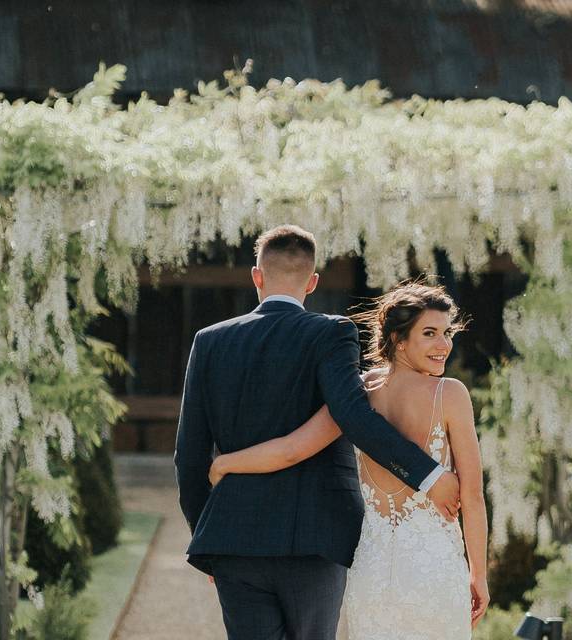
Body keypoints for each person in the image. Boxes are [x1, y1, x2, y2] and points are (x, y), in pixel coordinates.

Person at [174, 224, 461, 640]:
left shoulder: (210, 341)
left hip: (233, 537)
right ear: (312, 282)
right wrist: (429, 475)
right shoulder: (331, 332)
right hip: (315, 536)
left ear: (257, 275)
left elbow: (188, 456)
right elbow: (354, 417)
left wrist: (208, 539)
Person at [209, 281, 490, 639]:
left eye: (447, 333)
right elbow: (474, 496)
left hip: (371, 571)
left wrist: (228, 463)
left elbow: (294, 448)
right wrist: (478, 575)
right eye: (430, 333)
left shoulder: (357, 392)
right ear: (398, 340)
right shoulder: (450, 394)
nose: (444, 345)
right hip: (433, 568)